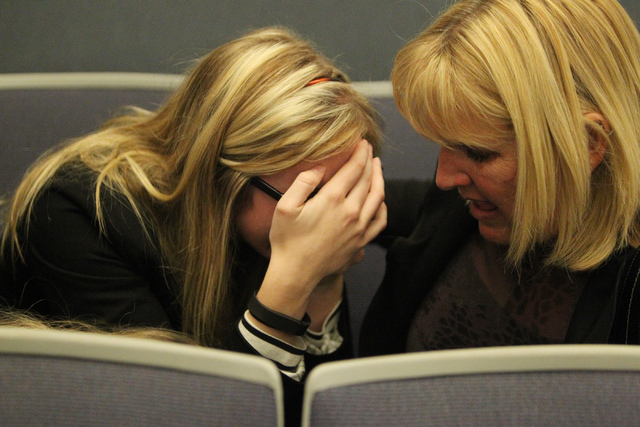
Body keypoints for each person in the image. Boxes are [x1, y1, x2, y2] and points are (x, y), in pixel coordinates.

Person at [0, 27, 386, 425]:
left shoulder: (302, 216)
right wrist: (293, 281)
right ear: (223, 177)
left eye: (348, 190)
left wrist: (323, 279)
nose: (335, 216)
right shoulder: (77, 215)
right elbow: (178, 414)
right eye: (310, 196)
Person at [360, 0, 640, 357]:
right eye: (445, 145)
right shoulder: (474, 201)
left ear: (587, 144)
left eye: (479, 153)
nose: (445, 178)